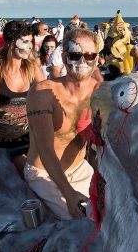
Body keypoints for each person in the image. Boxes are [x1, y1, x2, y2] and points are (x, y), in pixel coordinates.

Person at [25, 28, 101, 220]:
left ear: (97, 59)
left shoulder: (100, 93)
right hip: (44, 174)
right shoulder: (43, 93)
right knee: (84, 221)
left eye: (89, 55)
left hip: (80, 169)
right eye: (76, 55)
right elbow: (45, 149)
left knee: (112, 213)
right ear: (65, 57)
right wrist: (68, 193)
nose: (83, 62)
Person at [0, 20, 45, 173]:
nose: (30, 46)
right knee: (26, 169)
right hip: (3, 135)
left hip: (28, 134)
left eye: (31, 42)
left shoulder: (33, 68)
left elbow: (47, 100)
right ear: (11, 43)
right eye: (25, 42)